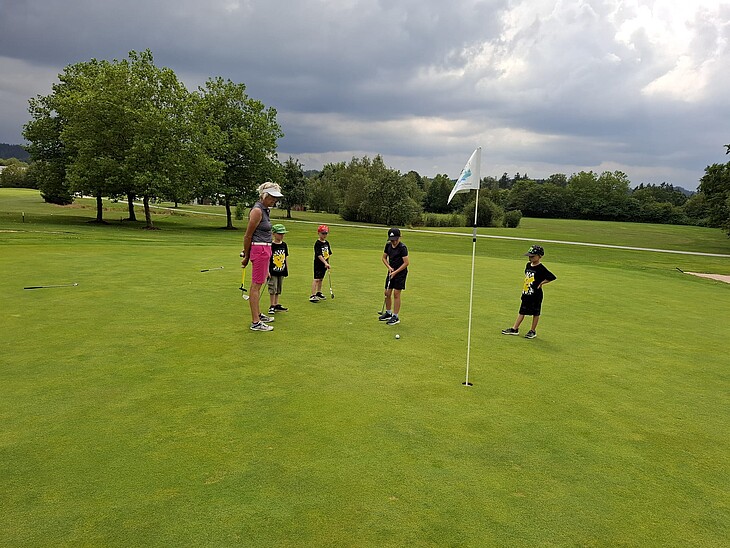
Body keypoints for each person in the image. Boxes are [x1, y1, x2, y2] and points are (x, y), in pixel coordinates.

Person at [240, 182, 283, 332]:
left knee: (259, 283)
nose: (274, 200)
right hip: (259, 250)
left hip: (265, 249)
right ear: (264, 196)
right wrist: (246, 256)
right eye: (272, 197)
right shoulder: (257, 211)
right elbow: (248, 236)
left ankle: (258, 315)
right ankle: (255, 322)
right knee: (256, 286)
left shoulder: (265, 210)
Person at [502, 244, 556, 339]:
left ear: (539, 256)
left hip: (536, 295)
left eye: (532, 256)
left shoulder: (541, 268)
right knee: (522, 311)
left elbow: (551, 277)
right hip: (526, 292)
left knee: (535, 312)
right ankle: (515, 328)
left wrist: (541, 283)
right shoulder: (528, 265)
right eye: (529, 256)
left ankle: (532, 331)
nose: (530, 258)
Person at [378, 227, 409, 325]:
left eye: (395, 240)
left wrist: (395, 272)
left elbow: (406, 263)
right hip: (391, 271)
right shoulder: (388, 245)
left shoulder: (402, 248)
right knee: (387, 292)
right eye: (392, 240)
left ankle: (395, 316)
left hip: (401, 273)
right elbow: (384, 258)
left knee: (396, 294)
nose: (394, 242)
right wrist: (389, 267)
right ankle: (388, 313)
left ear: (399, 237)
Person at [267, 223, 289, 315]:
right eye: (279, 234)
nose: (281, 236)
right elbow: (267, 258)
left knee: (279, 288)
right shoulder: (270, 245)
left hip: (281, 269)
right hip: (272, 271)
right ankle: (272, 305)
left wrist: (286, 268)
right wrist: (267, 271)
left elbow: (285, 257)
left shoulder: (284, 245)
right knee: (273, 288)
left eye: (283, 234)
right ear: (274, 234)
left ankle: (276, 304)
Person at [310, 224, 332, 302]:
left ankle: (319, 292)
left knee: (321, 279)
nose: (324, 235)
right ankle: (313, 295)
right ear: (318, 233)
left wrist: (327, 263)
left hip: (324, 264)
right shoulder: (318, 243)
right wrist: (325, 263)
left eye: (326, 233)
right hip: (318, 264)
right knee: (316, 279)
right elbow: (319, 255)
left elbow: (328, 254)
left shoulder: (327, 243)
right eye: (323, 233)